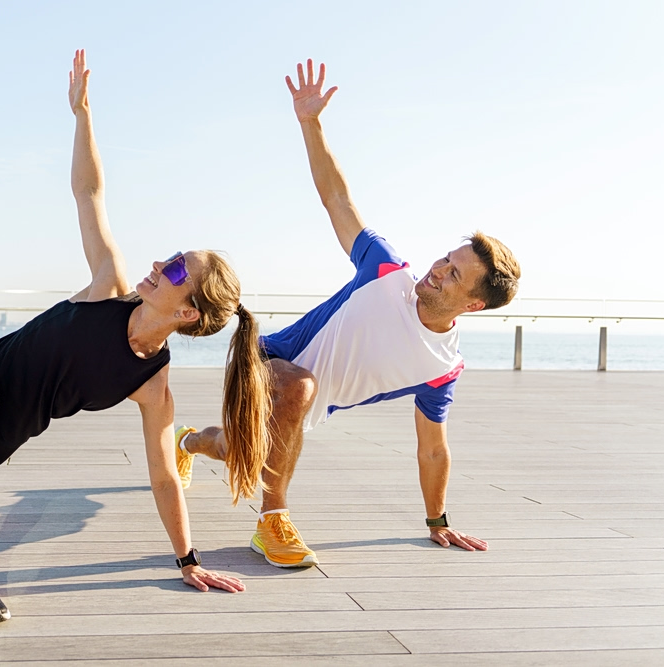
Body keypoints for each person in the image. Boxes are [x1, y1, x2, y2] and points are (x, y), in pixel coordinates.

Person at [0, 50, 271, 625]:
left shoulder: (153, 385)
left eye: (173, 271)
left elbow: (165, 474)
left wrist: (187, 559)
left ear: (188, 315)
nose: (158, 264)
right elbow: (90, 196)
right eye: (169, 256)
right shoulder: (107, 286)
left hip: (2, 429)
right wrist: (82, 114)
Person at [177, 59, 521, 568]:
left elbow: (432, 449)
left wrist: (437, 521)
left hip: (301, 407)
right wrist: (310, 123)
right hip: (263, 359)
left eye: (453, 275)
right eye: (446, 260)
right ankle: (272, 524)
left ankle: (187, 440)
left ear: (473, 304)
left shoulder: (441, 368)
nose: (437, 271)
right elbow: (337, 198)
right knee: (295, 386)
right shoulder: (385, 271)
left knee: (235, 448)